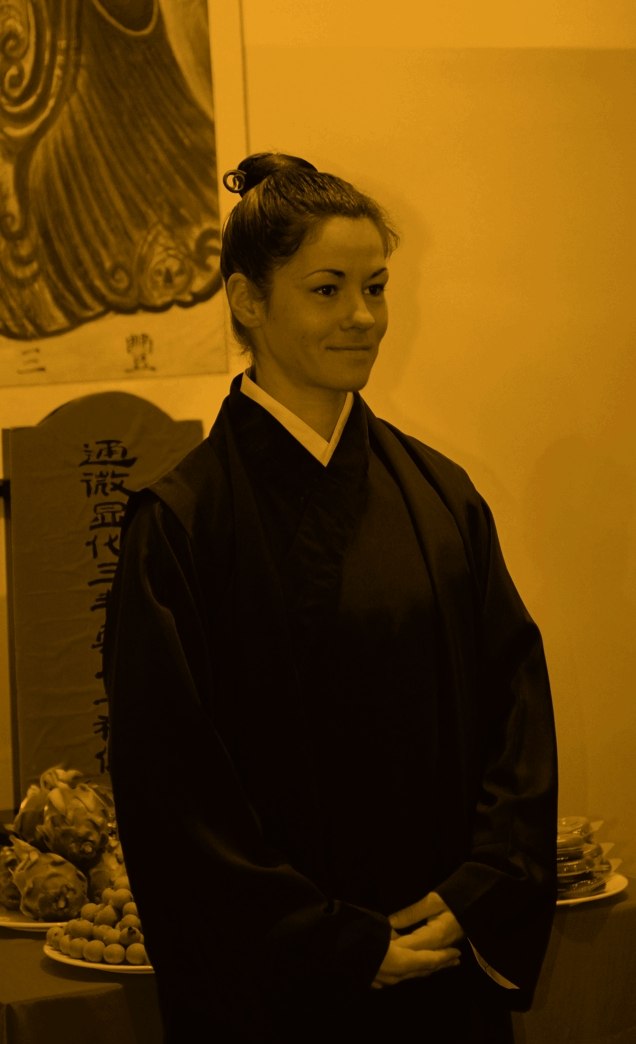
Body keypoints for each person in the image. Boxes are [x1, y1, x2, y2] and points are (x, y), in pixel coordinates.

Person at [104, 152, 558, 1044]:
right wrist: (333, 944)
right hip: (279, 994)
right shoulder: (181, 525)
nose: (363, 317)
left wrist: (475, 894)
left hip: (440, 957)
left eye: (376, 288)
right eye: (327, 290)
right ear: (247, 300)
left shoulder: (441, 497)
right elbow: (171, 793)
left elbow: (517, 705)